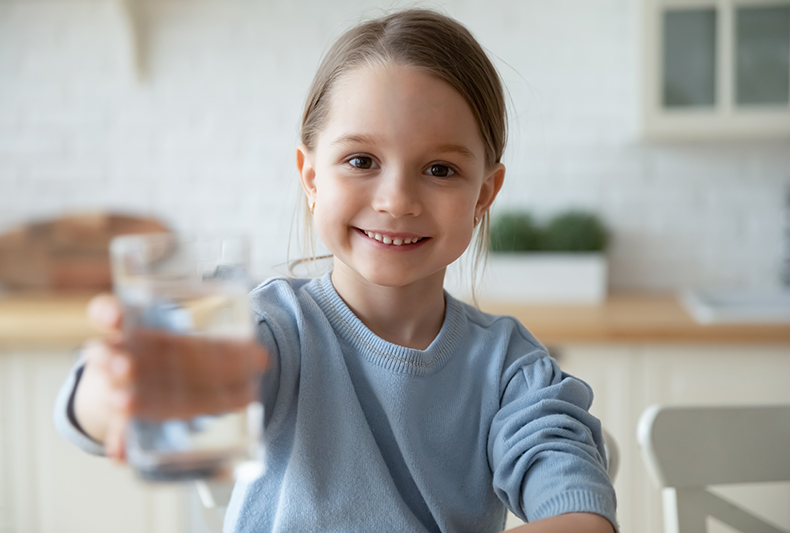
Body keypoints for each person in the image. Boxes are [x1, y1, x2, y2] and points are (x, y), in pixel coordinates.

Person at [54, 8, 617, 532]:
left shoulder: (510, 371)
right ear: (312, 177)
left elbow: (577, 510)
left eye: (440, 169)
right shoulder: (270, 332)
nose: (396, 200)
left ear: (483, 195)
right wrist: (115, 391)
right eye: (361, 161)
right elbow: (169, 400)